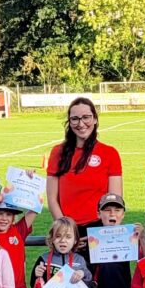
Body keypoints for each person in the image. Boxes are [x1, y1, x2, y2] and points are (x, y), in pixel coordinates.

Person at [46, 98, 122, 242]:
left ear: (94, 119)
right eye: (75, 119)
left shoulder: (109, 153)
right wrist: (66, 231)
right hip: (68, 230)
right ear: (69, 122)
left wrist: (103, 232)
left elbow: (115, 200)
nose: (81, 124)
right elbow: (52, 199)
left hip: (101, 229)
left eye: (86, 117)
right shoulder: (58, 152)